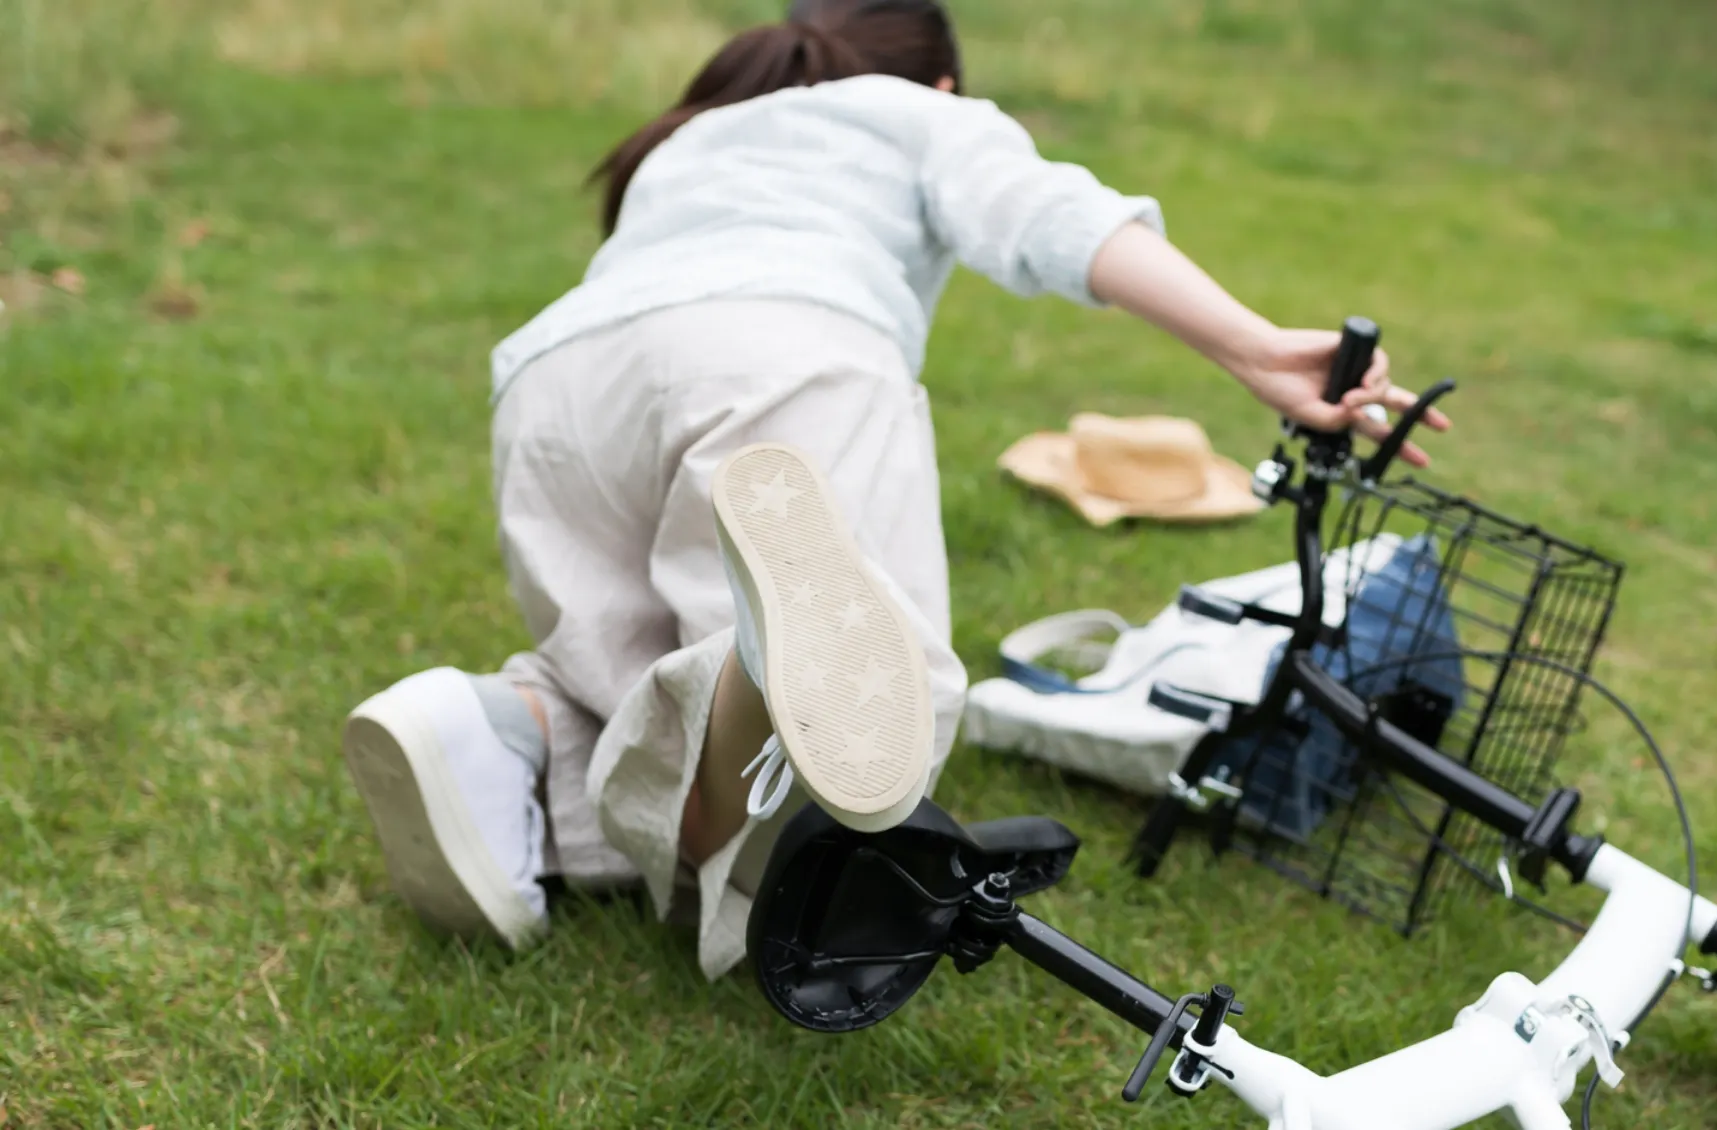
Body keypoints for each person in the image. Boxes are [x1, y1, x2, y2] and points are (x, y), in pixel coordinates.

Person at [339, 0, 1447, 980]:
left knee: (613, 677)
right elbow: (1056, 215)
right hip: (785, 350)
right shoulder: (919, 113)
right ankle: (762, 692)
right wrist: (1253, 345)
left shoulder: (695, 135)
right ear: (944, 81)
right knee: (853, 722)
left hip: (556, 390)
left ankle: (509, 727)